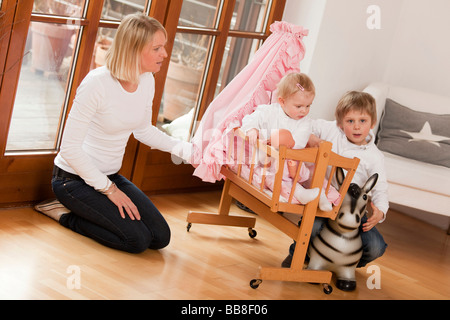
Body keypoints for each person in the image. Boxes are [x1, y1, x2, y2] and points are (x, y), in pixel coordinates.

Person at [34, 13, 192, 254]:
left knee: (160, 237)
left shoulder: (146, 79)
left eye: (164, 47)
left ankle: (93, 207)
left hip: (109, 176)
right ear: (134, 50)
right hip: (72, 180)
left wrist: (186, 149)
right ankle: (64, 214)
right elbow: (69, 149)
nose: (165, 54)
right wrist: (110, 191)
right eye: (157, 48)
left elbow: (143, 130)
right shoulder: (97, 84)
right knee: (136, 241)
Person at [282, 91, 388, 280]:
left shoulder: (374, 156)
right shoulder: (332, 131)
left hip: (353, 214)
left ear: (372, 124)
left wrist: (380, 210)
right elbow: (305, 124)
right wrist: (311, 138)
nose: (356, 127)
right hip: (326, 203)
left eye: (362, 121)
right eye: (350, 121)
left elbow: (380, 188)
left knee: (375, 246)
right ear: (340, 124)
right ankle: (299, 255)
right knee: (312, 228)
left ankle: (341, 262)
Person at [240, 73, 336, 210]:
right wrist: (252, 129)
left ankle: (318, 194)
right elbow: (251, 119)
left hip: (291, 161)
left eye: (308, 106)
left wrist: (281, 142)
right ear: (282, 101)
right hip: (268, 161)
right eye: (299, 106)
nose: (304, 110)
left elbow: (298, 143)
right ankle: (303, 193)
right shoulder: (269, 112)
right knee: (273, 172)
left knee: (303, 172)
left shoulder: (305, 123)